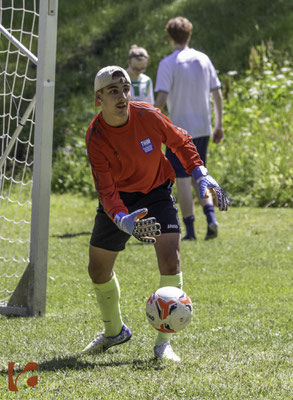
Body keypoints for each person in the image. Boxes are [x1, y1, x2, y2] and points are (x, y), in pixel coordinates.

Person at [82, 65, 230, 361]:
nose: (122, 96)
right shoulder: (96, 136)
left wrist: (199, 172)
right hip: (119, 201)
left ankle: (164, 343)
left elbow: (180, 140)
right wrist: (122, 219)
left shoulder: (147, 114)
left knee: (170, 257)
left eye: (125, 89)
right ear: (99, 98)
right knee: (97, 270)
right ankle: (114, 332)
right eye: (113, 91)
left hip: (156, 192)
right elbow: (106, 190)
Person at [155, 16, 224, 241]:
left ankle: (190, 230)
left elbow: (162, 98)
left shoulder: (168, 63)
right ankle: (211, 218)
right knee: (199, 174)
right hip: (202, 127)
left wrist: (150, 122)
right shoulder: (203, 59)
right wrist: (218, 124)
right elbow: (217, 93)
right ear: (189, 34)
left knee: (182, 179)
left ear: (169, 36)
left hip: (179, 131)